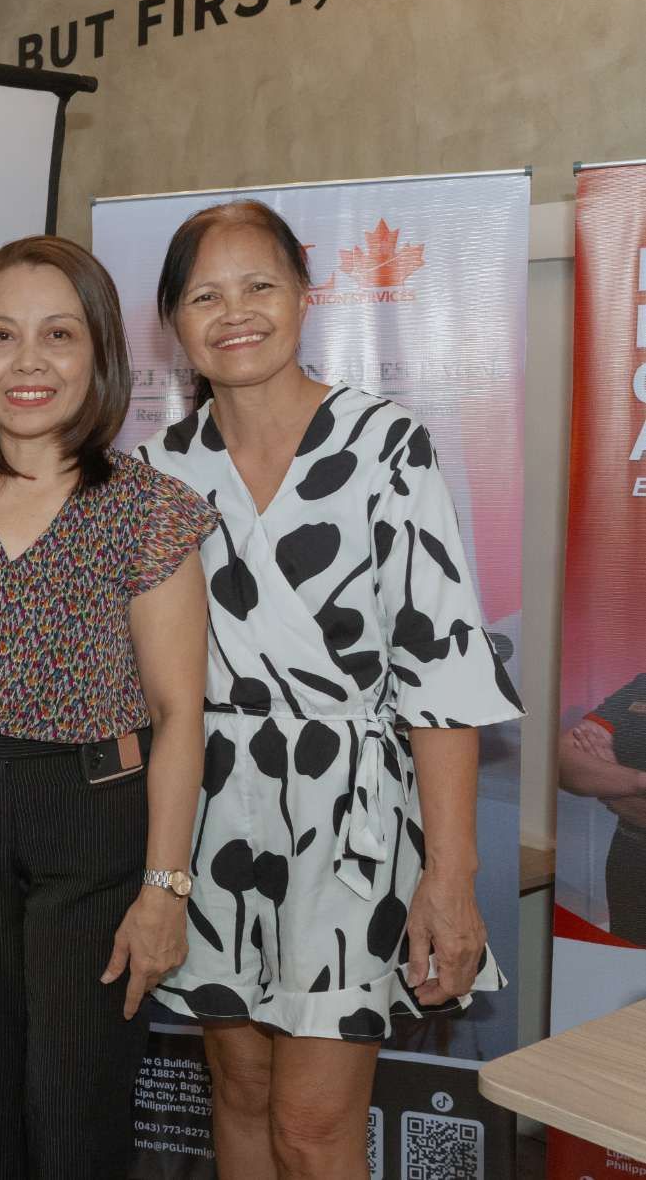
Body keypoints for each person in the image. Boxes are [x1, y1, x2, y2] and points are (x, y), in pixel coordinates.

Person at [136, 199, 523, 1177]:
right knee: (241, 1096)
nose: (234, 312)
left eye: (257, 285)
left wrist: (448, 877)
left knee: (312, 1127)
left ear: (303, 297)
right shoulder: (157, 471)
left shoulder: (387, 446)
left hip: (348, 827)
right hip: (209, 821)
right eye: (202, 295)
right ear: (171, 322)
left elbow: (438, 674)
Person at [0, 236, 212, 1179]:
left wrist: (163, 889)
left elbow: (179, 711)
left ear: (102, 355)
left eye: (58, 335)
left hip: (93, 824)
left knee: (76, 1113)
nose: (27, 361)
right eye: (1, 335)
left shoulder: (150, 508)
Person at [559, 675, 646, 945]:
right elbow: (564, 761)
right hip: (630, 860)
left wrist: (610, 784)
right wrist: (639, 781)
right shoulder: (643, 685)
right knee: (627, 971)